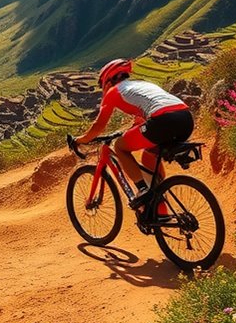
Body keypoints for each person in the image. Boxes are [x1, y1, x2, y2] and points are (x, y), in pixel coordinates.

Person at [70, 59, 193, 211]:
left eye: (102, 85)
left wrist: (80, 140)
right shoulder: (142, 85)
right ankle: (160, 204)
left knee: (120, 146)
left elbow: (98, 127)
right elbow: (142, 119)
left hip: (162, 121)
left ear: (107, 81)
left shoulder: (113, 92)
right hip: (186, 119)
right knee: (149, 155)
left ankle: (142, 189)